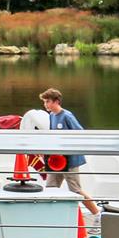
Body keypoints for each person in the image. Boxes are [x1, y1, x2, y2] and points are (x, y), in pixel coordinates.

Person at [39, 87, 100, 220]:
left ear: (56, 101)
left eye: (48, 101)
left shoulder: (66, 116)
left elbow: (79, 132)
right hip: (56, 159)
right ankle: (51, 217)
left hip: (70, 159)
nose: (45, 105)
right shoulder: (51, 116)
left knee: (75, 189)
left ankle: (97, 214)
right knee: (50, 187)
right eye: (44, 102)